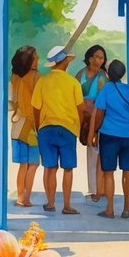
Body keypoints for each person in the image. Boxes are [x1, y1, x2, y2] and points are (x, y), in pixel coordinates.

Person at [32, 46, 85, 215]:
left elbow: (36, 108)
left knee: (50, 168)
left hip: (46, 129)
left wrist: (38, 126)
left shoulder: (43, 81)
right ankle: (67, 205)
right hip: (68, 129)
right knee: (68, 169)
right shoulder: (73, 82)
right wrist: (78, 126)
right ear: (65, 61)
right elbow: (81, 109)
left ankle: (50, 203)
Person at [90, 60, 129, 219]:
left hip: (109, 135)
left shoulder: (106, 90)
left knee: (109, 173)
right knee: (128, 171)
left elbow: (99, 113)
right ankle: (127, 209)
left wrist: (94, 131)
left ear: (108, 74)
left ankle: (110, 209)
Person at [75, 44, 108, 203]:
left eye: (101, 58)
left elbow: (102, 101)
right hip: (83, 118)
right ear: (89, 58)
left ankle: (99, 189)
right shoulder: (81, 73)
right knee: (90, 152)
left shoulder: (102, 76)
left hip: (97, 118)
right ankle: (92, 188)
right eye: (96, 57)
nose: (98, 60)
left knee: (97, 152)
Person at [9, 45, 41, 207]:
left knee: (23, 165)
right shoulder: (36, 77)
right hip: (30, 127)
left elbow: (10, 103)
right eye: (34, 58)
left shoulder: (14, 78)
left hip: (16, 126)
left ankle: (20, 196)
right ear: (27, 60)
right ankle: (25, 198)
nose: (37, 61)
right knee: (33, 164)